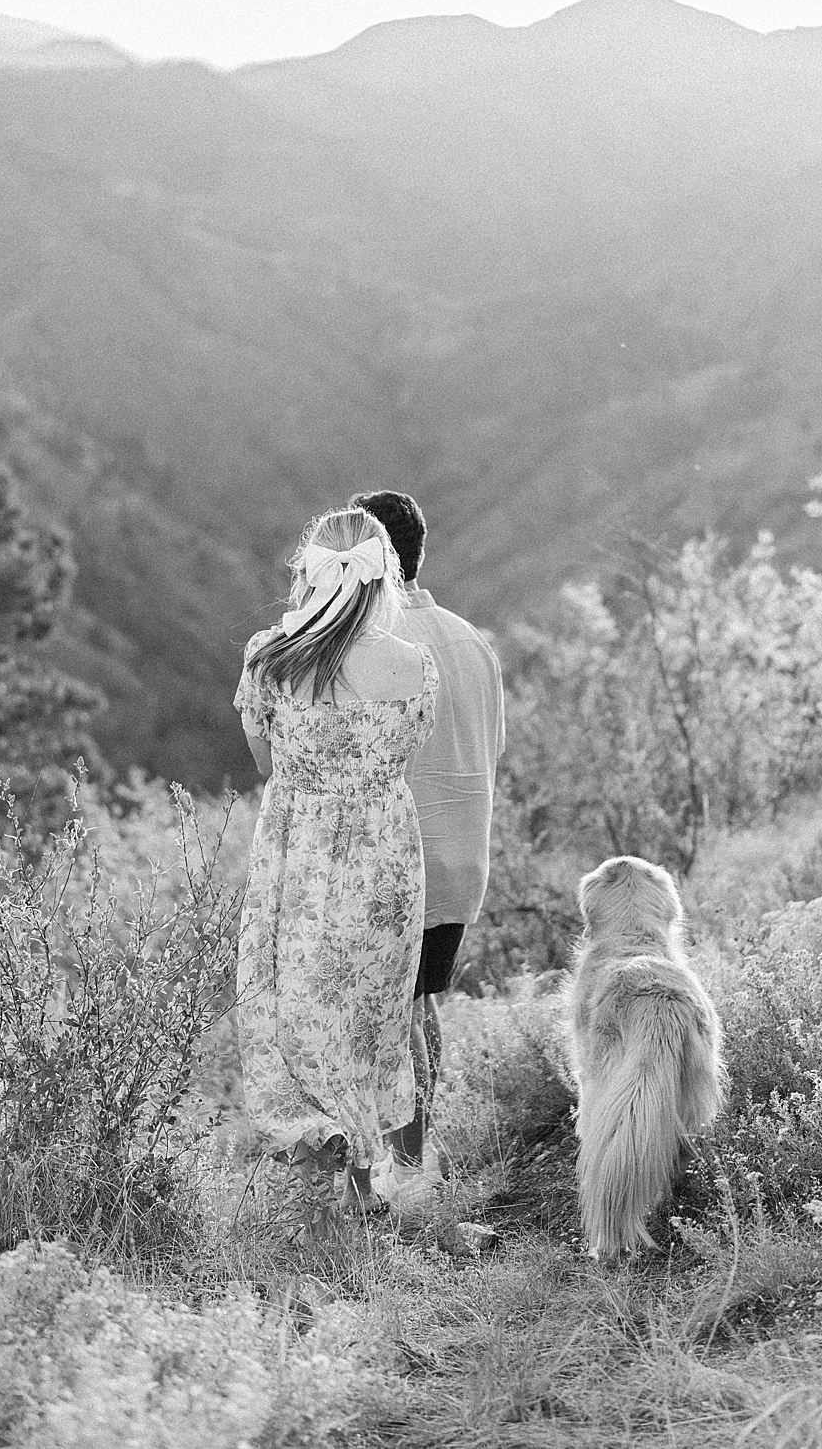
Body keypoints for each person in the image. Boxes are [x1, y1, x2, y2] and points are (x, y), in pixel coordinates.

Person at [233, 505, 437, 1229]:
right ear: (384, 575)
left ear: (310, 573)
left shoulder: (270, 658)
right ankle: (372, 1172)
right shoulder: (414, 666)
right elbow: (401, 754)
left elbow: (264, 763)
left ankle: (341, 1161)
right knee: (374, 1010)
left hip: (302, 851)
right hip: (384, 854)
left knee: (303, 1004)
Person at [350, 490, 505, 1177]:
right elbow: (490, 750)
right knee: (417, 1005)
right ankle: (414, 1155)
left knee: (388, 1015)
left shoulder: (370, 649)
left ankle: (402, 1171)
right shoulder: (472, 640)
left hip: (396, 859)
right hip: (462, 860)